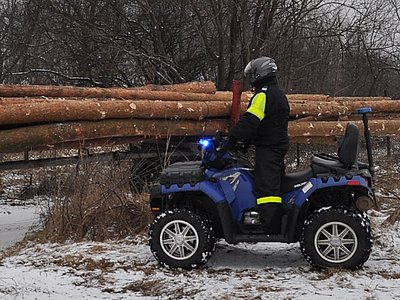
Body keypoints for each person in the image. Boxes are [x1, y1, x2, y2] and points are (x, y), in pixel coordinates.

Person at [221, 56, 290, 234]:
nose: (251, 78)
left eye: (252, 74)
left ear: (260, 73)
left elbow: (251, 121)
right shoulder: (277, 93)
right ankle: (273, 218)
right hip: (274, 144)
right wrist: (248, 142)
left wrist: (232, 139)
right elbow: (266, 124)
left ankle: (268, 224)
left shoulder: (263, 95)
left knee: (266, 186)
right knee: (272, 181)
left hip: (270, 147)